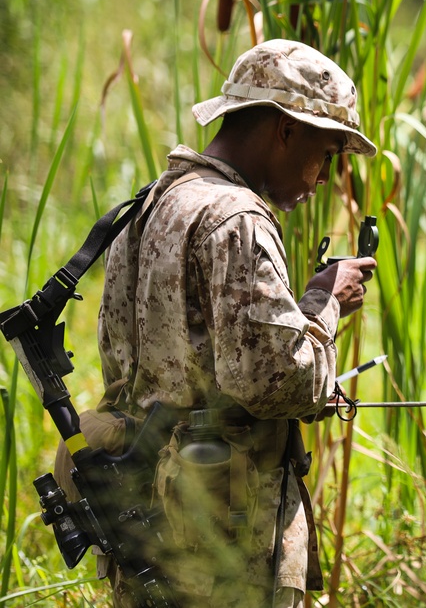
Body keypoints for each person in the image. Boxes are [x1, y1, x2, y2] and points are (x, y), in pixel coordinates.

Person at [96, 38, 377, 607]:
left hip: (144, 517)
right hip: (223, 543)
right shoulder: (238, 219)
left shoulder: (149, 205)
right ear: (285, 129)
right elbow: (274, 382)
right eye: (326, 154)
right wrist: (323, 304)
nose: (323, 178)